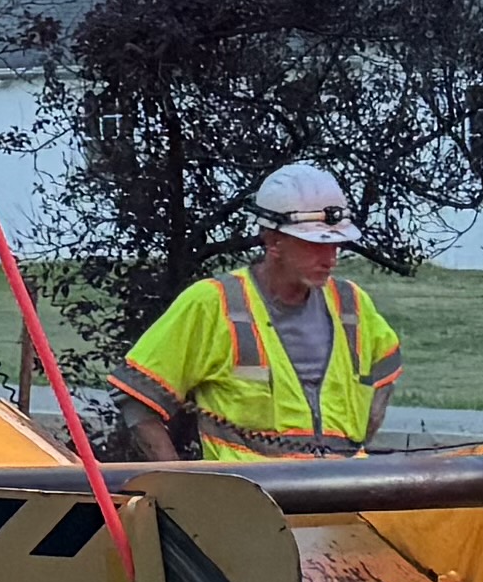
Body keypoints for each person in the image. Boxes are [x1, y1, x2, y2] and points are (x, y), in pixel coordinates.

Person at [112, 160, 402, 461]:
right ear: (274, 242)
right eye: (315, 245)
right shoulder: (213, 303)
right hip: (248, 499)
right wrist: (179, 488)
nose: (330, 258)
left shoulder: (353, 304)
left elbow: (384, 377)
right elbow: (137, 396)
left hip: (342, 496)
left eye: (335, 245)